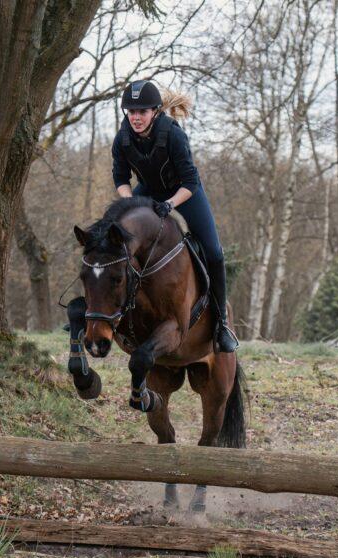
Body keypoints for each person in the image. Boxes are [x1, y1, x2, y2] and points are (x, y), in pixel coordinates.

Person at [111, 79, 239, 353]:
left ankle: (221, 324)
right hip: (148, 192)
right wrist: (129, 203)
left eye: (142, 112)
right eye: (131, 112)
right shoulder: (122, 138)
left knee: (214, 253)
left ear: (155, 111)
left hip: (184, 192)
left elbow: (190, 181)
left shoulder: (173, 134)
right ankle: (102, 313)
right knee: (112, 238)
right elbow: (120, 178)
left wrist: (169, 205)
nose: (135, 117)